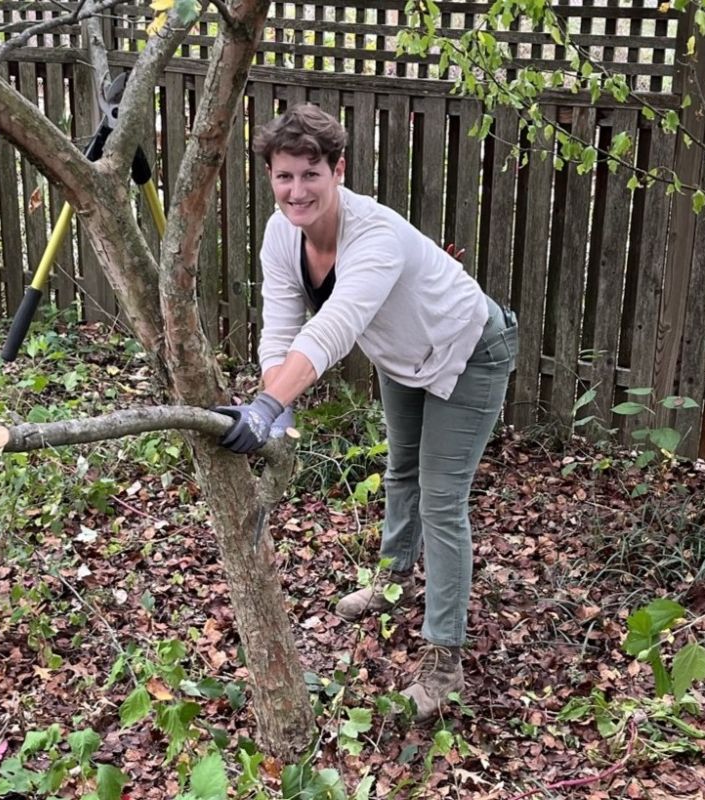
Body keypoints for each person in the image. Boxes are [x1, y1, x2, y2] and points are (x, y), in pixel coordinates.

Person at [214, 104, 518, 723]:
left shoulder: (374, 234)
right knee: (401, 471)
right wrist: (273, 404)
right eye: (283, 177)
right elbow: (282, 331)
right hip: (403, 356)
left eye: (310, 175)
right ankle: (392, 580)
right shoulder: (282, 234)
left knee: (441, 500)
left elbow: (334, 329)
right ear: (270, 177)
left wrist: (270, 405)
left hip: (467, 349)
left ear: (337, 170)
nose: (296, 191)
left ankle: (444, 659)